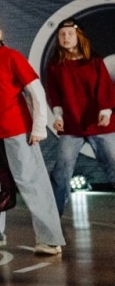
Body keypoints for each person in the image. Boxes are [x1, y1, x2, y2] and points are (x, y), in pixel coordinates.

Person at [0, 12, 67, 255]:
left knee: (31, 182)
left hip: (17, 130)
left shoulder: (12, 57)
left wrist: (39, 127)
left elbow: (36, 92)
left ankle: (50, 239)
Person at [43, 18, 115, 213]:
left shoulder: (95, 62)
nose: (65, 37)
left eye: (69, 34)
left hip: (99, 124)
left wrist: (105, 111)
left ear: (79, 37)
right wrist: (58, 117)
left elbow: (105, 89)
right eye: (61, 35)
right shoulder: (55, 66)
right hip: (71, 126)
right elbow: (54, 95)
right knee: (61, 171)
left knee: (113, 164)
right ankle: (53, 217)